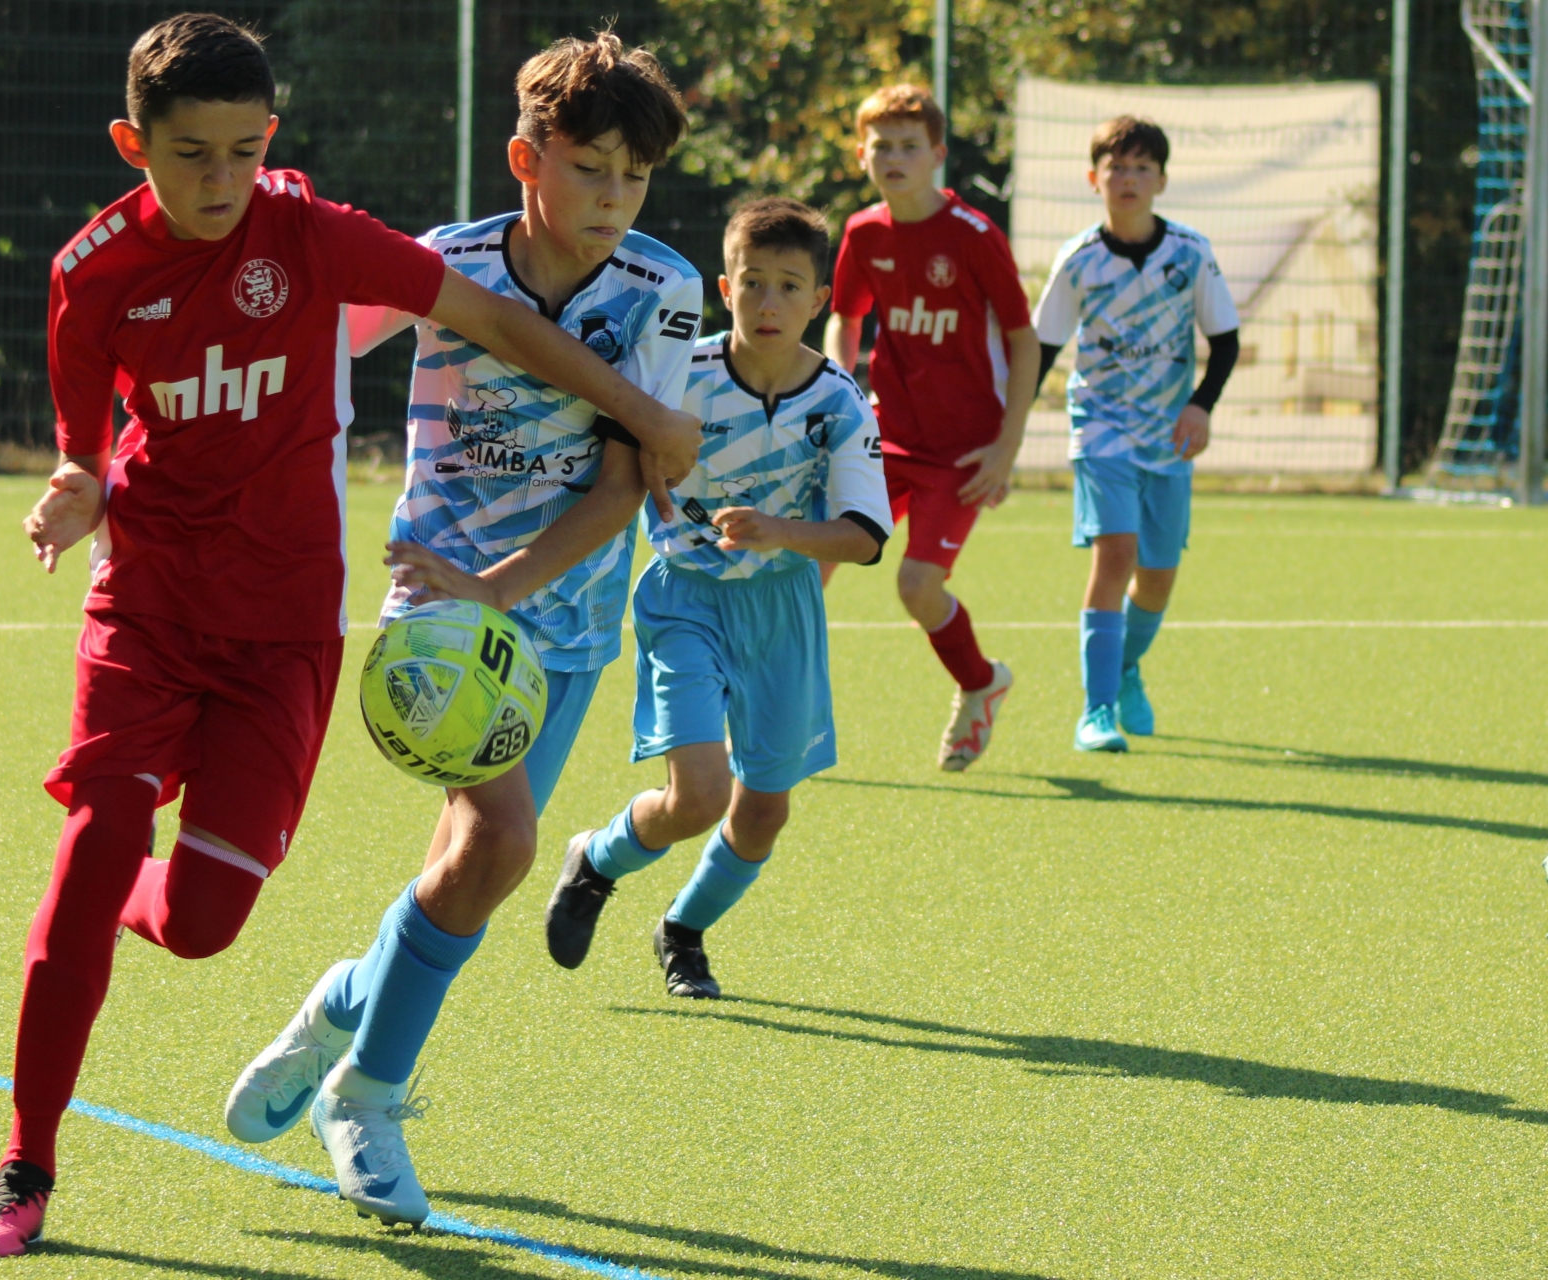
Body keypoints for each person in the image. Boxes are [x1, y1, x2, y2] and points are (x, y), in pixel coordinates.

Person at [0, 14, 700, 1258]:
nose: (221, 180)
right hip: (187, 609)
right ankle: (38, 1161)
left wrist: (650, 421)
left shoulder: (320, 236)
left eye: (245, 152)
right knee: (119, 847)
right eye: (191, 154)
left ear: (272, 139)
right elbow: (87, 447)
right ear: (135, 145)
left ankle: (318, 998)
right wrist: (79, 489)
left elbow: (500, 332)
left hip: (327, 630)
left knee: (215, 919)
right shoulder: (95, 273)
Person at [220, 32, 702, 1228]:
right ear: (526, 160)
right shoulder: (445, 261)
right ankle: (367, 1095)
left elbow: (622, 487)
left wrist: (507, 584)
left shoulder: (664, 289)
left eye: (636, 176)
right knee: (502, 841)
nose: (614, 197)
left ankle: (342, 1004)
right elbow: (309, 344)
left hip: (565, 615)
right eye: (590, 168)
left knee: (471, 870)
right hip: (438, 608)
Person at [543, 197, 890, 998]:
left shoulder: (839, 401)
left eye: (789, 286)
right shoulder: (679, 378)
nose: (769, 302)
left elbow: (866, 535)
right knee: (699, 796)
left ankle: (683, 930)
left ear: (819, 300)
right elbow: (612, 458)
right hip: (685, 599)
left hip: (783, 610)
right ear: (725, 289)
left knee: (764, 812)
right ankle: (596, 860)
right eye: (752, 282)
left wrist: (779, 531)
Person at [822, 85, 1039, 772]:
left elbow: (1024, 339)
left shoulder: (973, 236)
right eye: (881, 145)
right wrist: (837, 399)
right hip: (886, 438)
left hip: (964, 453)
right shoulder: (864, 233)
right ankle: (774, 708)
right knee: (807, 563)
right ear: (862, 155)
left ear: (938, 154)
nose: (895, 157)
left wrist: (1007, 448)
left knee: (917, 587)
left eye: (910, 146)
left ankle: (981, 683)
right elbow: (846, 318)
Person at [1032, 115, 1240, 752]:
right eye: (1116, 167)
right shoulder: (1079, 260)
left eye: (1142, 167)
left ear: (1162, 181)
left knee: (1157, 577)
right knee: (1115, 553)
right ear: (1093, 178)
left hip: (1168, 434)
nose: (1128, 178)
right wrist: (1006, 430)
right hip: (1100, 425)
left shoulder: (1191, 252)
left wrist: (1200, 406)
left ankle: (1123, 668)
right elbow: (1041, 350)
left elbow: (1225, 341)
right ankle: (1095, 712)